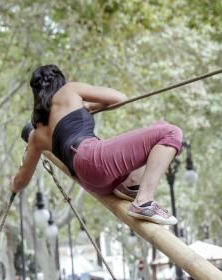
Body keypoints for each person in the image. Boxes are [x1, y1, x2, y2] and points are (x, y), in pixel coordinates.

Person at [11, 64, 181, 225]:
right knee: (170, 132)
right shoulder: (68, 90)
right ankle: (144, 201)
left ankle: (130, 184)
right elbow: (119, 98)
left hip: (92, 182)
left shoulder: (38, 135)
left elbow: (20, 182)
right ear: (59, 81)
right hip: (92, 157)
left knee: (160, 127)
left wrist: (12, 184)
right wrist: (88, 106)